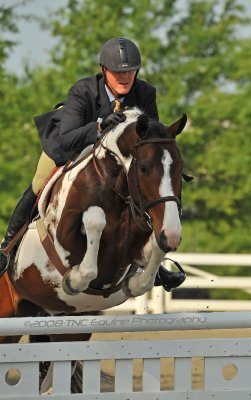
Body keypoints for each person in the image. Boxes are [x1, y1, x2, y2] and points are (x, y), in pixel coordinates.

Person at [0, 37, 185, 290]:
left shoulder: (145, 93)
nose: (125, 77)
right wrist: (98, 126)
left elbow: (149, 140)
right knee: (40, 179)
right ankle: (7, 247)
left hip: (118, 158)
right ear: (104, 71)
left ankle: (153, 262)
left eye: (130, 71)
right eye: (118, 72)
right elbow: (67, 137)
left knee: (149, 187)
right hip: (72, 143)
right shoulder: (83, 90)